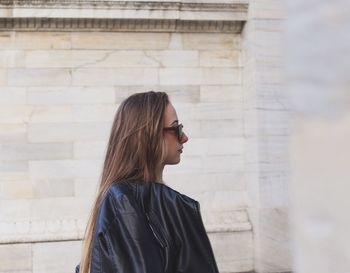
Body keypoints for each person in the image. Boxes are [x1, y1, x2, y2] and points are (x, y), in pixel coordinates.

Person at [76, 91, 219, 273]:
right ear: (148, 134)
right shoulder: (124, 203)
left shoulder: (154, 202)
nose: (184, 137)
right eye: (176, 129)